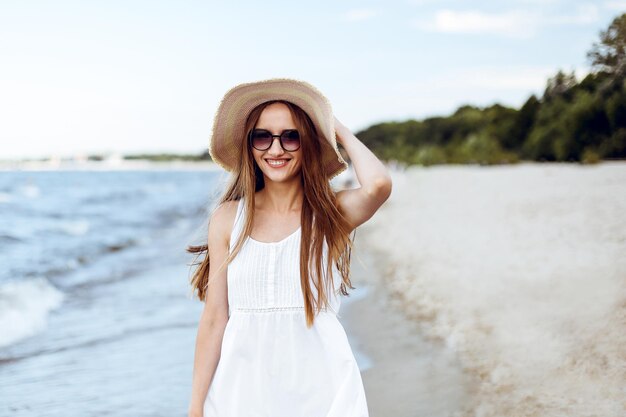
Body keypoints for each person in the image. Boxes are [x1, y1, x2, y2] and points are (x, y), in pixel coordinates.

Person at [186, 78, 392, 417]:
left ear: (308, 143)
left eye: (291, 136)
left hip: (321, 391)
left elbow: (379, 185)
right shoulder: (227, 219)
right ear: (249, 146)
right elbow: (214, 319)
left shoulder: (329, 215)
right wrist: (196, 406)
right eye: (262, 136)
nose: (276, 149)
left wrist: (333, 127)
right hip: (241, 392)